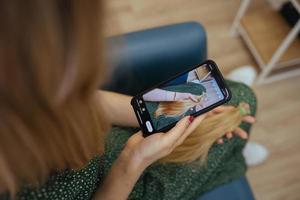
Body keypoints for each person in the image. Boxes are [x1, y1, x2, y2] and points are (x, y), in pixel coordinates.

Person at [0, 1, 256, 199]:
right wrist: (132, 162)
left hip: (111, 146)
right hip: (124, 186)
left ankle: (230, 152)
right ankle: (233, 157)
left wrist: (159, 110)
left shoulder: (37, 88)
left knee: (228, 107)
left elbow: (87, 101)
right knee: (244, 103)